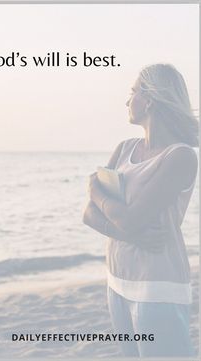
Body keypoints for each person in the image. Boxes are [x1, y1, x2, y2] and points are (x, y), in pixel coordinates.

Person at [83, 63, 199, 357]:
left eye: (133, 91)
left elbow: (132, 220)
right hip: (118, 278)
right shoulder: (124, 149)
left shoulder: (180, 156)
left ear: (149, 98)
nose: (127, 100)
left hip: (157, 285)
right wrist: (128, 234)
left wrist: (95, 190)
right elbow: (88, 214)